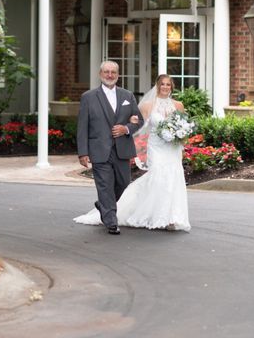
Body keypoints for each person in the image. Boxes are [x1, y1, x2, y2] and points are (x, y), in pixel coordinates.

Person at [74, 74, 191, 232]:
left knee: (173, 179)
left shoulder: (178, 105)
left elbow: (184, 125)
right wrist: (130, 129)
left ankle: (172, 217)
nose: (165, 87)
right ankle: (154, 215)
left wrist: (181, 135)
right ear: (157, 86)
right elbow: (138, 126)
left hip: (172, 148)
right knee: (157, 178)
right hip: (156, 147)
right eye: (162, 84)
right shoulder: (148, 105)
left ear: (172, 87)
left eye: (168, 85)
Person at [76, 61, 144, 235]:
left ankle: (104, 205)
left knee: (123, 183)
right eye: (106, 72)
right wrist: (83, 152)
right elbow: (82, 126)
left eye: (113, 72)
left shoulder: (127, 96)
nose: (110, 75)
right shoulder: (88, 97)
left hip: (122, 149)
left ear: (118, 75)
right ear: (100, 74)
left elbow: (139, 120)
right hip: (99, 149)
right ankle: (111, 221)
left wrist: (126, 128)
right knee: (105, 185)